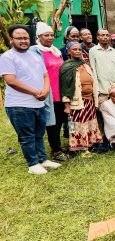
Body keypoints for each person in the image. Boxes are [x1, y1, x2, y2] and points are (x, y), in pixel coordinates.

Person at [0, 24, 61, 174]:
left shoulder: (35, 55)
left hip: (38, 102)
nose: (23, 41)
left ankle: (43, 159)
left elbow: (45, 75)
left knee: (39, 133)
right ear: (11, 40)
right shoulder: (7, 57)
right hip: (19, 105)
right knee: (27, 135)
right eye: (19, 38)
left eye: (25, 38)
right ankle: (32, 164)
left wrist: (46, 91)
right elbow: (11, 80)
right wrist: (35, 92)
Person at [60, 42, 102, 153]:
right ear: (69, 52)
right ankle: (79, 148)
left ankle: (90, 144)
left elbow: (93, 82)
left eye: (79, 49)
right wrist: (67, 105)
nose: (78, 51)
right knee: (79, 124)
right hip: (78, 101)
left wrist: (95, 100)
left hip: (89, 101)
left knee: (90, 123)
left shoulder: (85, 65)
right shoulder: (67, 67)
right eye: (75, 49)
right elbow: (65, 87)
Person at [35, 22, 68, 161]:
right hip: (47, 93)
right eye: (46, 35)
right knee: (52, 123)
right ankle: (56, 151)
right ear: (38, 37)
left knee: (60, 121)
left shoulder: (56, 51)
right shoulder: (35, 51)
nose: (50, 38)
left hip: (61, 92)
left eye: (51, 35)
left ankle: (58, 145)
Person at [89, 28, 115, 104]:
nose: (105, 37)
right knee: (104, 114)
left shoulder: (114, 51)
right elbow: (93, 71)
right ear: (97, 37)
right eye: (102, 35)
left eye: (107, 35)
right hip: (102, 90)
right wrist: (97, 90)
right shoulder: (93, 51)